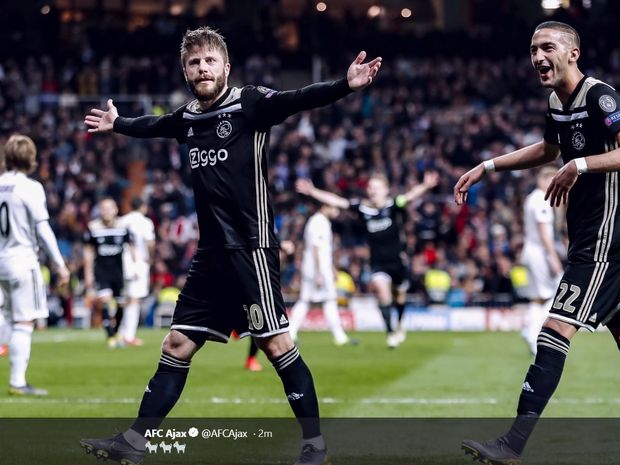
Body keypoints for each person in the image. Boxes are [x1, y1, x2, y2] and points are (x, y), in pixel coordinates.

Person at [80, 26, 381, 465]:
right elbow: (157, 125)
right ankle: (133, 442)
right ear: (185, 70)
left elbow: (297, 98)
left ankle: (315, 447)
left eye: (208, 61)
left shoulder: (250, 103)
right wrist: (119, 124)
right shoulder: (187, 119)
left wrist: (343, 85)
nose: (201, 68)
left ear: (226, 67)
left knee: (276, 345)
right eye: (193, 62)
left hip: (251, 248)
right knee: (177, 345)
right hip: (211, 256)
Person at [455, 22, 620, 465]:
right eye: (532, 50)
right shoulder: (556, 101)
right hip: (586, 239)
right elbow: (548, 150)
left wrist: (581, 164)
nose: (537, 57)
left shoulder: (600, 95)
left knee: (553, 332)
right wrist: (488, 166)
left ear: (573, 53)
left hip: (602, 242)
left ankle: (512, 444)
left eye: (547, 47)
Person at [296, 171, 439, 348]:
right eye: (370, 187)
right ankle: (391, 333)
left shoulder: (394, 204)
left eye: (377, 187)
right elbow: (339, 201)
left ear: (386, 190)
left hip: (398, 261)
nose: (373, 191)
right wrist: (313, 191)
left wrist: (425, 185)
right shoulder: (363, 208)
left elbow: (409, 196)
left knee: (399, 296)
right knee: (382, 290)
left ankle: (400, 323)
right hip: (378, 262)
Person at [0, 135, 70, 396]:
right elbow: (44, 230)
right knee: (23, 321)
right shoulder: (30, 188)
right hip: (22, 260)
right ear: (30, 158)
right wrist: (60, 265)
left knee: (5, 316)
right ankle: (18, 382)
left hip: (1, 259)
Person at [289, 201, 354, 346]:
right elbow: (316, 248)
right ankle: (339, 336)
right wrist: (320, 272)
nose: (336, 210)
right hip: (316, 270)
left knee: (316, 300)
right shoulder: (318, 222)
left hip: (319, 269)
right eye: (334, 206)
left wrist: (331, 268)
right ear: (325, 207)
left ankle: (339, 336)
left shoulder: (321, 221)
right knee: (315, 300)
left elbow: (323, 250)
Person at [520, 166, 563, 355]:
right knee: (556, 293)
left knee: (537, 297)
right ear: (544, 180)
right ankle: (533, 333)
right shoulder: (541, 200)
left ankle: (529, 329)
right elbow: (544, 232)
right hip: (539, 252)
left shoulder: (531, 198)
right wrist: (553, 258)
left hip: (530, 249)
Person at [83, 198, 135, 348]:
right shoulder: (93, 227)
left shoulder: (123, 227)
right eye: (103, 208)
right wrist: (88, 274)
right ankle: (110, 337)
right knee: (105, 301)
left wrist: (137, 266)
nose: (106, 211)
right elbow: (88, 252)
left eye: (109, 208)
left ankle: (116, 330)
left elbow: (131, 247)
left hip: (119, 273)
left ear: (116, 210)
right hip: (101, 272)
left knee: (121, 304)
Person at [119, 197, 156, 346]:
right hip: (138, 261)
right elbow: (150, 243)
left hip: (122, 262)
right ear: (143, 207)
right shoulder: (145, 222)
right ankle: (129, 336)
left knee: (126, 298)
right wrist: (150, 259)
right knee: (135, 298)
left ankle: (121, 332)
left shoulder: (122, 220)